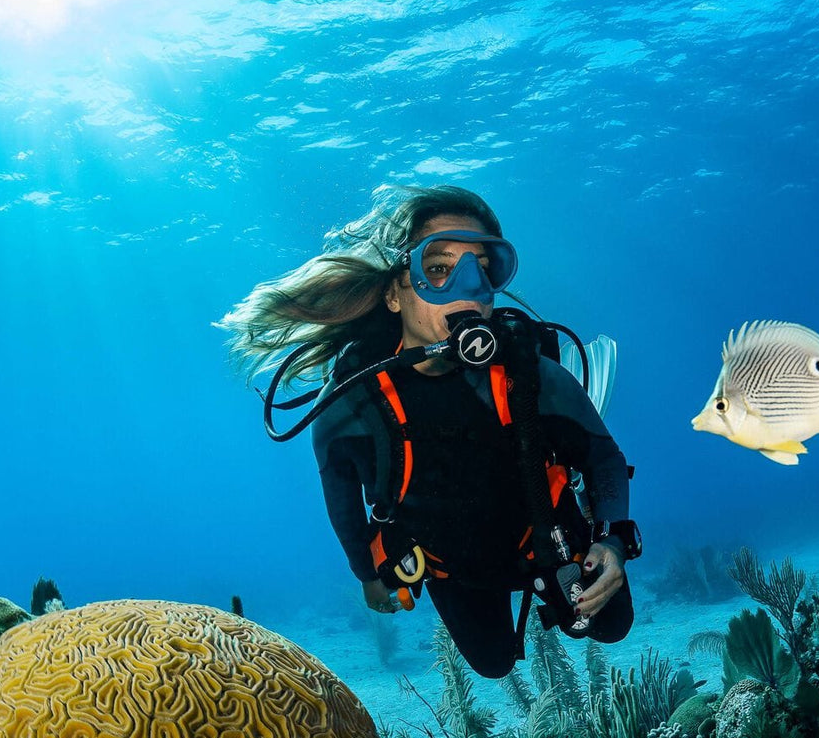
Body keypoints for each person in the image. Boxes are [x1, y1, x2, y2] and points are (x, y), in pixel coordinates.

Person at [218, 185, 640, 678]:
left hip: (548, 541)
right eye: (438, 269)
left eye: (482, 270)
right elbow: (342, 496)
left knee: (613, 626)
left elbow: (604, 456)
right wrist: (366, 575)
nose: (467, 290)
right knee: (493, 665)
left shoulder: (530, 372)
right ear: (394, 292)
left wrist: (611, 542)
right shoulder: (353, 399)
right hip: (453, 565)